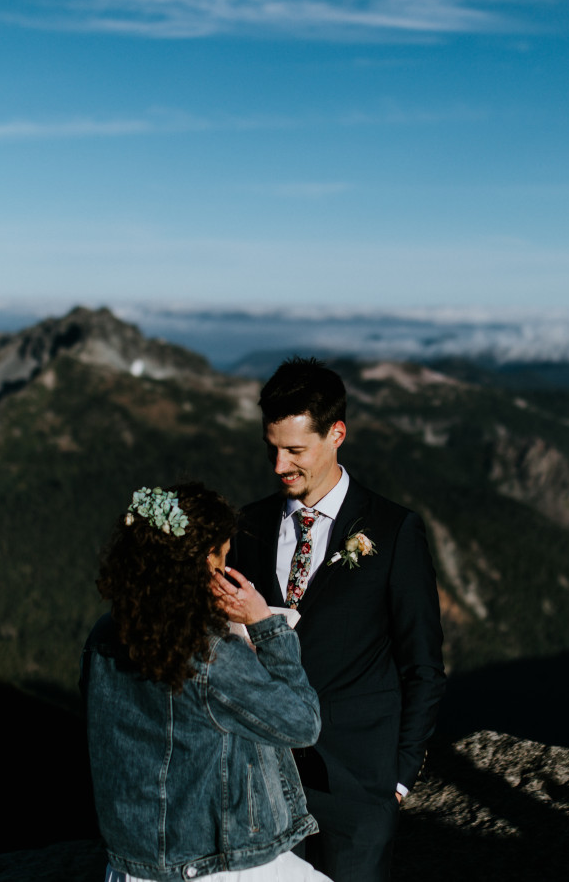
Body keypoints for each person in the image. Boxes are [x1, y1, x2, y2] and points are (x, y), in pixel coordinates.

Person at [230, 358, 447, 882]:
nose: (279, 465)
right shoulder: (249, 525)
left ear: (337, 435)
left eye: (295, 451)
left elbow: (423, 664)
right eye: (271, 448)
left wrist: (396, 779)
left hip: (357, 789)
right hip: (262, 787)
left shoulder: (394, 531)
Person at [81, 482, 333, 882]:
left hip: (134, 862)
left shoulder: (105, 636)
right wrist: (265, 627)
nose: (224, 570)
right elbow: (303, 723)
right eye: (222, 557)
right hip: (216, 864)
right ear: (200, 563)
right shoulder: (209, 655)